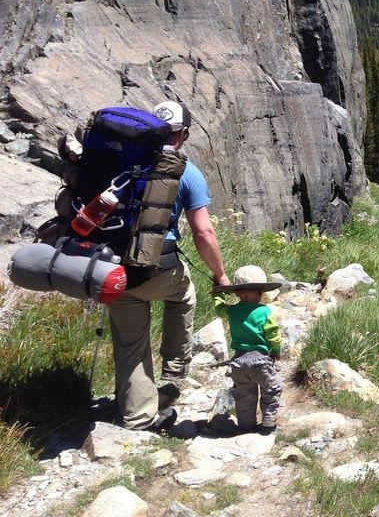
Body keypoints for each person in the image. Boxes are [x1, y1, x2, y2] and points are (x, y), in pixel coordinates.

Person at [107, 100, 231, 431]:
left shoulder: (122, 160)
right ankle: (175, 366)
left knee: (131, 344)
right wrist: (220, 274)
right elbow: (204, 231)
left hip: (113, 271)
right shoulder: (185, 171)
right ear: (184, 134)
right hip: (158, 268)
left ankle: (136, 415)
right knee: (185, 292)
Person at [212, 266, 283, 433]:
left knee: (244, 395)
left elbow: (219, 308)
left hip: (238, 362)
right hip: (260, 361)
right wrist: (277, 351)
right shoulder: (265, 311)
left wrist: (218, 294)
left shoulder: (232, 311)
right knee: (272, 388)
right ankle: (268, 422)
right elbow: (273, 335)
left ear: (237, 293)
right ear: (261, 291)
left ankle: (246, 425)